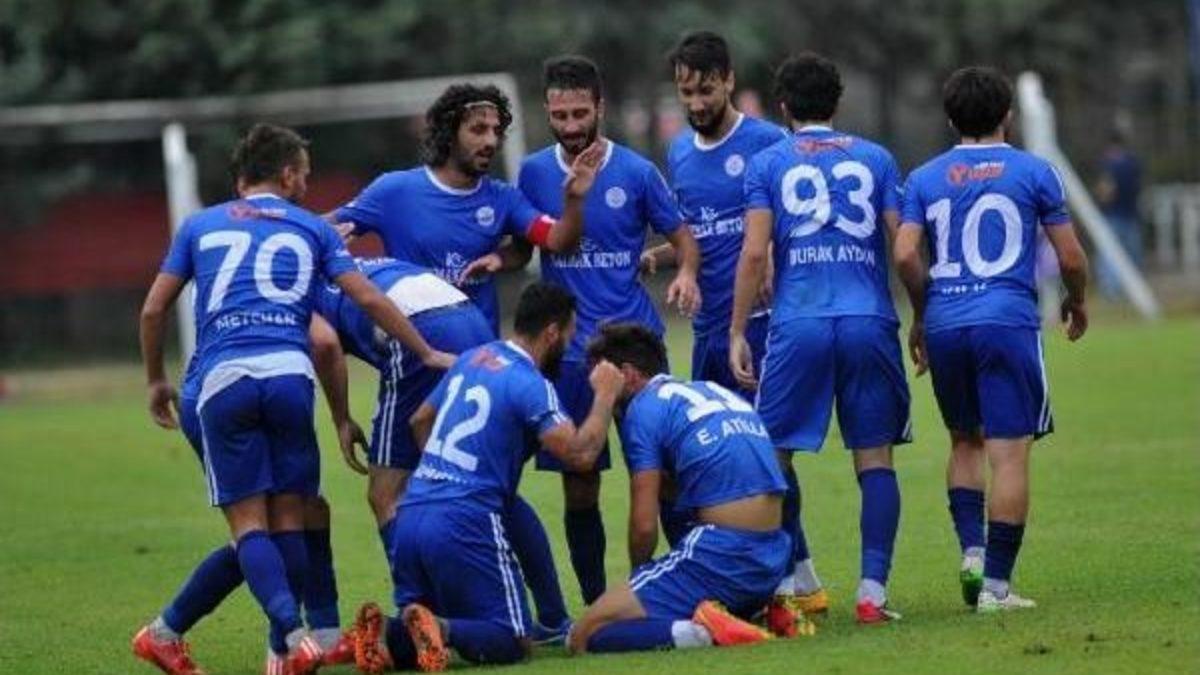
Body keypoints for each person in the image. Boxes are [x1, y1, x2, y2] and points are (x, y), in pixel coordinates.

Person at [138, 123, 453, 675]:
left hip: (219, 383)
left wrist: (155, 380)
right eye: (305, 175)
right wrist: (424, 351)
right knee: (286, 519)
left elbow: (152, 309)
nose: (307, 185)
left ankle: (271, 640)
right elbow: (361, 302)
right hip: (288, 378)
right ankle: (289, 639)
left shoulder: (200, 224)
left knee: (257, 527)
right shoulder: (311, 228)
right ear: (287, 174)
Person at [348, 282, 623, 673]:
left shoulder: (472, 358)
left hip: (411, 513)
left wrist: (445, 473)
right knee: (511, 639)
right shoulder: (530, 383)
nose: (569, 344)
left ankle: (387, 635)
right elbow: (580, 455)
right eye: (569, 334)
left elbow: (419, 419)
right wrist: (605, 395)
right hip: (463, 521)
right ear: (551, 333)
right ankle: (443, 627)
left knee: (507, 507)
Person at [894, 66, 1089, 612]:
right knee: (1008, 454)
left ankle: (972, 553)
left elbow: (905, 253)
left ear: (950, 119)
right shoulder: (1035, 171)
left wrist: (923, 313)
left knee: (964, 441)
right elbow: (1071, 257)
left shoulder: (924, 177)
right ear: (1008, 115)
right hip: (1006, 321)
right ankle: (997, 587)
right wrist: (1077, 299)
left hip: (947, 322)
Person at [730, 52, 911, 626]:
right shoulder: (877, 158)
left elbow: (754, 254)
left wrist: (737, 329)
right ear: (837, 102)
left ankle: (785, 583)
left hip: (798, 321)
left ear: (783, 107)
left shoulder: (767, 163)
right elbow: (903, 245)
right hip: (868, 319)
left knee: (773, 455)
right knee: (874, 457)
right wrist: (924, 315)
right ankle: (872, 593)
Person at [516, 54, 702, 606]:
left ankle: (690, 591)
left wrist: (686, 272)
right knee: (580, 483)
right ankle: (599, 603)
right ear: (547, 110)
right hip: (570, 354)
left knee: (666, 474)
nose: (571, 125)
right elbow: (522, 244)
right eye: (560, 115)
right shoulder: (532, 172)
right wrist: (494, 259)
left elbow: (683, 238)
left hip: (636, 349)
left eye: (580, 113)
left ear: (599, 107)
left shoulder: (637, 172)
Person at [314, 256, 573, 642]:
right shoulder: (342, 256)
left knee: (385, 494)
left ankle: (418, 612)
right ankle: (553, 616)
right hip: (468, 319)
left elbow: (325, 343)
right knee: (489, 485)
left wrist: (341, 418)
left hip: (418, 332)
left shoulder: (294, 283)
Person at [133, 317, 359, 675]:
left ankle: (323, 638)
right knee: (267, 525)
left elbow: (155, 307)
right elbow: (326, 340)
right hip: (228, 388)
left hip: (250, 384)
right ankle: (283, 651)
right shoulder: (298, 281)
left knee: (308, 509)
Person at [568, 323, 803, 655]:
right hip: (772, 557)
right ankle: (749, 612)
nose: (597, 388)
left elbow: (644, 525)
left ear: (628, 374)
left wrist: (640, 579)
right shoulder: (710, 391)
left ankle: (704, 632)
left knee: (584, 633)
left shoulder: (643, 410)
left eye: (601, 379)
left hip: (724, 554)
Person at [329, 83, 602, 335]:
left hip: (478, 354)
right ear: (449, 133)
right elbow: (322, 227)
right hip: (414, 350)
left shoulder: (504, 198)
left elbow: (558, 240)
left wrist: (574, 199)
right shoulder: (394, 190)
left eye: (496, 131)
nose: (491, 141)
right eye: (478, 130)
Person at [651, 30, 787, 401]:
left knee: (764, 436)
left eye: (706, 90)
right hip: (706, 331)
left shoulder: (771, 142)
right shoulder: (679, 152)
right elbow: (697, 235)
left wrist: (771, 251)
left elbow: (797, 220)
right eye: (686, 92)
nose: (695, 104)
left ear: (729, 80)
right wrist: (657, 260)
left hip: (762, 323)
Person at [1094, 128, 1143, 299]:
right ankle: (1134, 291)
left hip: (1112, 215)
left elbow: (1106, 191)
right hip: (1131, 214)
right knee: (1132, 255)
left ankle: (1111, 292)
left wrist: (1100, 198)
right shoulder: (1133, 163)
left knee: (1110, 256)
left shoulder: (1109, 165)